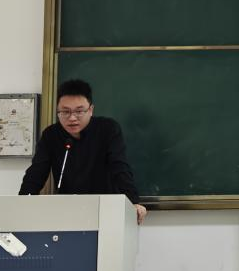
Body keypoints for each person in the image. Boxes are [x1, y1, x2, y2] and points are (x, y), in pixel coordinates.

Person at [19, 79, 147, 225]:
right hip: (68, 212)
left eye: (79, 111)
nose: (72, 118)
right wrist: (22, 204)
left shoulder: (107, 129)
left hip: (106, 210)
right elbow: (36, 173)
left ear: (90, 110)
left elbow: (120, 166)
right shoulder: (51, 135)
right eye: (65, 112)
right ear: (58, 112)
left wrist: (133, 202)